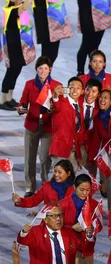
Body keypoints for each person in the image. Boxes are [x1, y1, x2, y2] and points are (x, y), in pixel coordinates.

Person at [17, 56, 60, 197]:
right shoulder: (30, 84)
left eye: (45, 68)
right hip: (31, 124)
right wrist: (21, 108)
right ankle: (30, 187)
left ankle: (45, 185)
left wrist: (55, 108)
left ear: (50, 69)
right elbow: (23, 101)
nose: (42, 71)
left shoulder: (56, 85)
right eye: (40, 68)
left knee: (44, 159)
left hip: (48, 126)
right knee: (29, 158)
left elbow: (60, 106)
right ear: (36, 69)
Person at [0, 0, 36, 111]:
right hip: (12, 45)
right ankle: (2, 100)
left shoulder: (18, 8)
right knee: (11, 72)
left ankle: (9, 98)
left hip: (19, 44)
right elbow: (25, 6)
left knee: (16, 71)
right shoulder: (11, 10)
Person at [49, 77, 84, 169]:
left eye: (78, 87)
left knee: (72, 181)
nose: (75, 90)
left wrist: (79, 156)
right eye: (72, 87)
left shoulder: (80, 107)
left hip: (73, 151)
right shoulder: (62, 102)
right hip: (60, 149)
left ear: (82, 91)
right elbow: (56, 105)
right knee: (59, 179)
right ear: (67, 89)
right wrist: (56, 96)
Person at [76, 0, 111, 75]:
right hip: (87, 10)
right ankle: (80, 72)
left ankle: (94, 71)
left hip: (102, 12)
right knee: (86, 45)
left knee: (94, 46)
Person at [80, 78, 102, 178]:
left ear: (98, 94)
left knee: (90, 177)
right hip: (76, 144)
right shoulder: (76, 101)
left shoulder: (101, 106)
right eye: (88, 90)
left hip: (93, 146)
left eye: (94, 91)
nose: (90, 94)